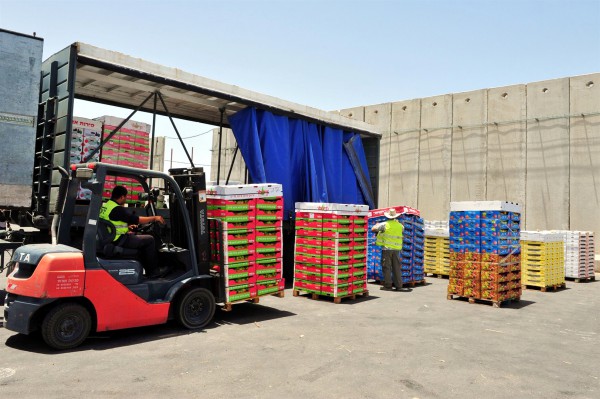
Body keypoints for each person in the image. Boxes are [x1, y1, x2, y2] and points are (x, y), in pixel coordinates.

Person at [99, 186, 167, 278]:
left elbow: (111, 223)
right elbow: (137, 219)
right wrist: (155, 218)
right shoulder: (117, 209)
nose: (126, 199)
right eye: (125, 197)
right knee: (150, 239)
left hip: (110, 238)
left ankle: (144, 268)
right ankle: (153, 271)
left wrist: (128, 227)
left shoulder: (106, 206)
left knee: (141, 239)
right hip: (119, 240)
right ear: (122, 197)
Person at [372, 208, 405, 291]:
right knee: (396, 267)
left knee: (386, 267)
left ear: (387, 216)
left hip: (387, 249)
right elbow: (402, 231)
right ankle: (399, 286)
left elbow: (373, 229)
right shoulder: (400, 225)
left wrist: (377, 226)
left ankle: (388, 285)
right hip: (397, 249)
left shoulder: (384, 224)